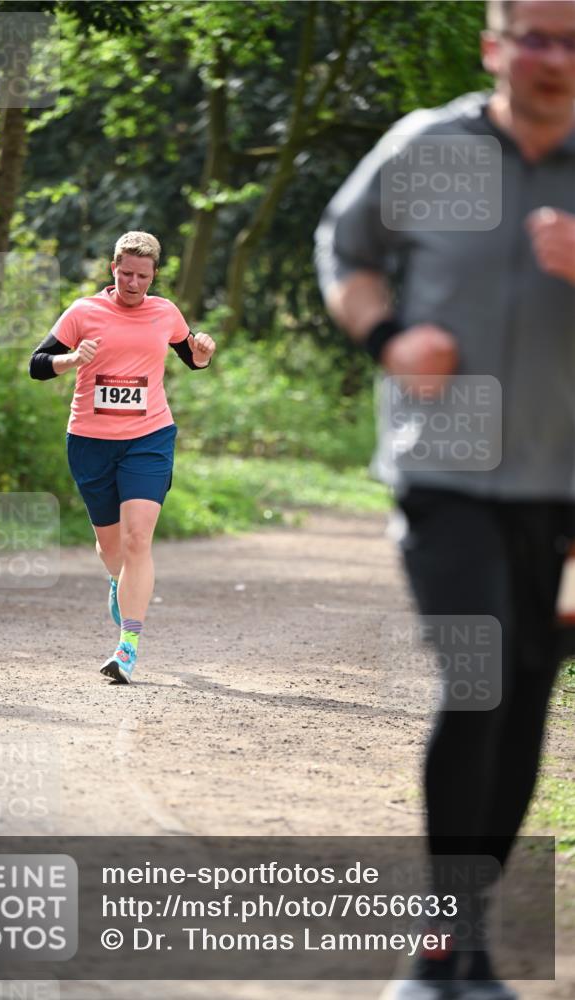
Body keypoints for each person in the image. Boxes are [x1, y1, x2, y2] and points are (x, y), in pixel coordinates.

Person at [315, 2, 575, 998]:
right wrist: (389, 341)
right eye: (536, 36)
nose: (553, 60)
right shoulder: (430, 147)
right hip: (446, 472)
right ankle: (438, 947)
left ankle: (464, 940)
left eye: (572, 40)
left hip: (565, 493)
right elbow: (347, 252)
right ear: (494, 46)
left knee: (523, 700)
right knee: (476, 679)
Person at [29, 231, 216, 683]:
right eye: (127, 274)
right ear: (114, 269)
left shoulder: (164, 311)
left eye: (143, 277)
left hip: (148, 437)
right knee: (111, 547)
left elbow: (190, 355)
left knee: (137, 542)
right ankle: (120, 583)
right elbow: (37, 364)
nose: (134, 284)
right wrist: (72, 360)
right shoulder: (84, 311)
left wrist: (203, 354)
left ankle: (127, 646)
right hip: (90, 441)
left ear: (153, 275)